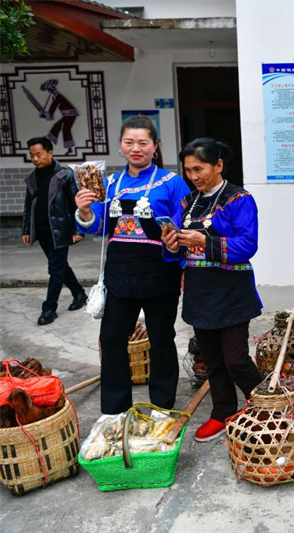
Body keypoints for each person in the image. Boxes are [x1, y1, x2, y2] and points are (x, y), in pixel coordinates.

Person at [75, 115, 190, 414]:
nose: (135, 148)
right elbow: (99, 226)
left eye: (143, 142)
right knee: (111, 339)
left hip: (159, 274)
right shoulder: (109, 183)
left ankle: (162, 407)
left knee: (162, 339)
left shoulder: (172, 183)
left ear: (155, 146)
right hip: (120, 275)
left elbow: (183, 226)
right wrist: (85, 211)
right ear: (121, 146)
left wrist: (179, 251)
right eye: (129, 142)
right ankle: (115, 410)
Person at [162, 138, 263, 442]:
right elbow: (177, 252)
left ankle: (265, 404)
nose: (193, 176)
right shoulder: (187, 202)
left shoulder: (240, 199)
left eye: (199, 168)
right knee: (212, 359)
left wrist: (204, 242)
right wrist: (171, 245)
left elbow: (248, 245)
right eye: (188, 170)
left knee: (236, 359)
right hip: (199, 289)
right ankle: (222, 411)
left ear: (218, 165)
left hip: (231, 289)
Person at [21, 137, 87, 325]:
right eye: (32, 155)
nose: (35, 159)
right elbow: (28, 206)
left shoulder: (64, 174)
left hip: (60, 229)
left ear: (50, 153)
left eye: (38, 154)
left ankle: (49, 309)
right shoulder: (33, 177)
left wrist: (79, 230)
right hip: (42, 230)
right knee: (59, 266)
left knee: (55, 269)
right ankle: (79, 294)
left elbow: (77, 203)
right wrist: (26, 229)